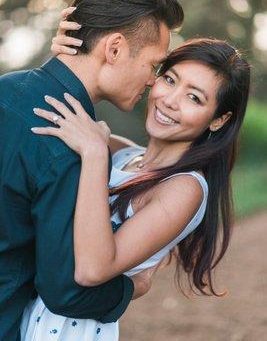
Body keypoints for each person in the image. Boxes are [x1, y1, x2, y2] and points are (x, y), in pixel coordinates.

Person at [20, 35, 250, 340]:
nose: (169, 100)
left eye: (194, 97)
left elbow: (92, 269)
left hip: (67, 328)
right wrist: (68, 56)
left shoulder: (184, 187)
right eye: (169, 79)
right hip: (27, 307)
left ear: (219, 120)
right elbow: (48, 114)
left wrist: (94, 155)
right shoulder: (123, 153)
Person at [0, 0, 184, 341]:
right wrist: (134, 286)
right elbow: (65, 291)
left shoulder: (7, 86)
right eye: (153, 64)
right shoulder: (69, 143)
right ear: (114, 48)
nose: (153, 82)